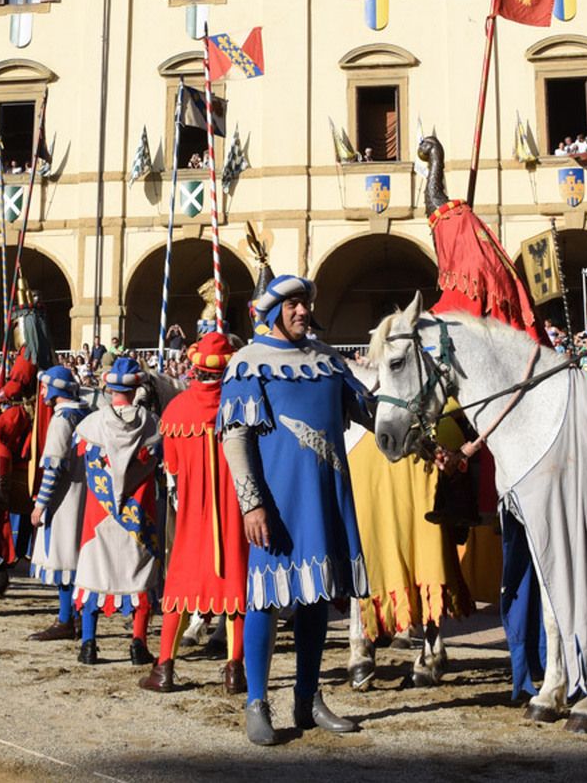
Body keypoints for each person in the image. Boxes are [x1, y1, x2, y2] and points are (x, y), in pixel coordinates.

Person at [220, 275, 373, 745]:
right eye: (291, 304)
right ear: (270, 312)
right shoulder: (248, 365)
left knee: (315, 597)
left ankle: (307, 699)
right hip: (277, 502)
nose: (302, 311)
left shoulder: (327, 361)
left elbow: (370, 412)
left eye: (305, 303)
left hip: (325, 496)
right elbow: (236, 439)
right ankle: (257, 703)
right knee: (266, 600)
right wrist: (252, 505)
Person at [142, 333, 249, 694]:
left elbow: (171, 465)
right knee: (235, 587)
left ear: (195, 367)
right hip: (234, 511)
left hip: (191, 514)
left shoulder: (175, 411)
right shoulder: (242, 406)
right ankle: (235, 670)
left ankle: (165, 668)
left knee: (181, 587)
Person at [72, 357, 164, 667]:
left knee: (93, 572)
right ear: (137, 387)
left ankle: (89, 644)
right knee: (139, 574)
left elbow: (81, 461)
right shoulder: (152, 423)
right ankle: (138, 643)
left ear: (108, 388)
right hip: (138, 515)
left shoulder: (90, 425)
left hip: (99, 515)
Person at [26, 365, 92, 641]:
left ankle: (66, 619)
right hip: (86, 495)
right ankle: (75, 616)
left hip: (66, 498)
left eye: (44, 387)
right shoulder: (87, 414)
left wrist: (41, 504)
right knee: (76, 558)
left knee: (64, 558)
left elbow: (53, 466)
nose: (41, 392)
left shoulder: (62, 419)